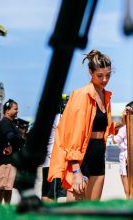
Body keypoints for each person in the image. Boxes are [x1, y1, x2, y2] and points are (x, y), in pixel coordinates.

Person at [48, 50, 117, 201]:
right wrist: (76, 170)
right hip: (81, 158)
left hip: (99, 155)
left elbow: (100, 126)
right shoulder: (81, 95)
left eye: (108, 75)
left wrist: (119, 124)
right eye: (100, 75)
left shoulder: (105, 96)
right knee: (76, 211)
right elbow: (73, 134)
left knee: (92, 211)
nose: (105, 79)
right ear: (90, 72)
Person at [0, 99, 25, 204]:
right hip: (5, 160)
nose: (17, 111)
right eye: (15, 109)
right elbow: (10, 137)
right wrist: (21, 139)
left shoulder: (11, 123)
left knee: (9, 188)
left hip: (11, 160)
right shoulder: (5, 122)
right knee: (2, 187)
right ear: (7, 110)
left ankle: (7, 209)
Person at [41, 95, 68, 203]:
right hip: (54, 160)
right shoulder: (58, 118)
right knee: (53, 193)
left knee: (46, 191)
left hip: (47, 160)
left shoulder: (46, 118)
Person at [112, 101, 133, 199]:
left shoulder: (124, 127)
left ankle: (129, 200)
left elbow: (116, 140)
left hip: (125, 156)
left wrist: (110, 136)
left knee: (125, 178)